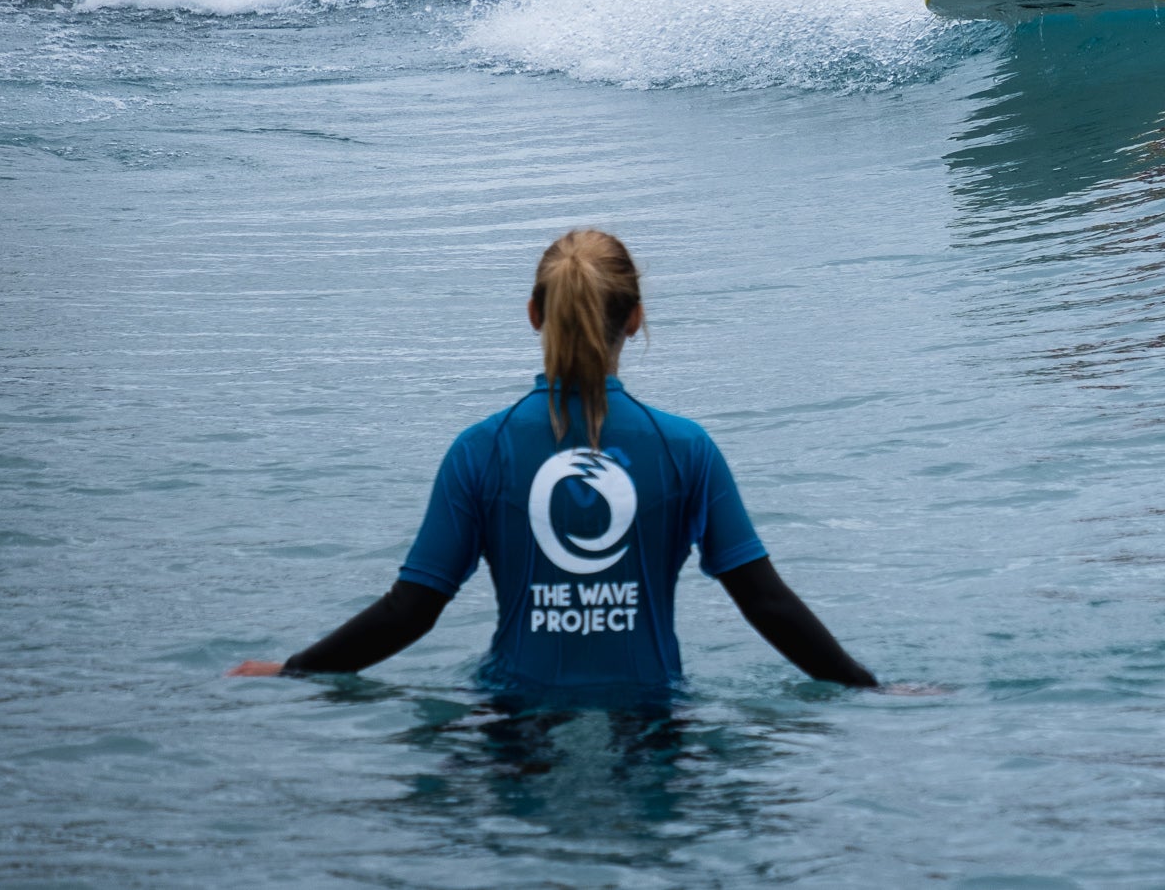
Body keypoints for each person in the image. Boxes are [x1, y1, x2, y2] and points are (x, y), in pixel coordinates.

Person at [229, 229, 875, 693]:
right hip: (651, 721)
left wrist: (296, 669)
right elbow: (764, 600)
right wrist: (867, 686)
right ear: (636, 318)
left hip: (514, 721)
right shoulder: (686, 448)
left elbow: (412, 608)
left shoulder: (482, 448)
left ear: (535, 313)